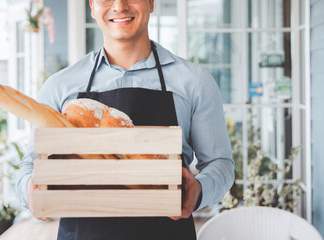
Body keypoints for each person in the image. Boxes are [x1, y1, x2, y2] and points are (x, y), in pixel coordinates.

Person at [16, 0, 234, 239]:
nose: (119, 6)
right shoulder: (60, 86)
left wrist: (199, 190)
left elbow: (219, 163)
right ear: (92, 6)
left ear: (151, 3)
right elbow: (30, 165)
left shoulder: (195, 81)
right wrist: (30, 189)